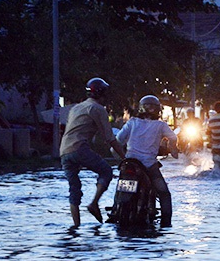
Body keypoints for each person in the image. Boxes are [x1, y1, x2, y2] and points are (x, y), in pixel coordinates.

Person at [60, 77, 126, 226]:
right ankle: (94, 203)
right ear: (102, 94)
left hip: (64, 151)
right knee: (106, 171)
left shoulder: (76, 107)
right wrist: (125, 158)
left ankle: (76, 226)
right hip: (79, 148)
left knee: (74, 190)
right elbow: (110, 138)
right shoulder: (97, 109)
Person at [116, 95, 178, 227]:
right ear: (158, 110)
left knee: (121, 190)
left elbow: (117, 142)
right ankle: (166, 224)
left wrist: (122, 159)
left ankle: (116, 211)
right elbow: (173, 137)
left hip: (129, 164)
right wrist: (173, 149)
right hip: (149, 165)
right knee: (164, 194)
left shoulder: (132, 122)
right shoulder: (161, 125)